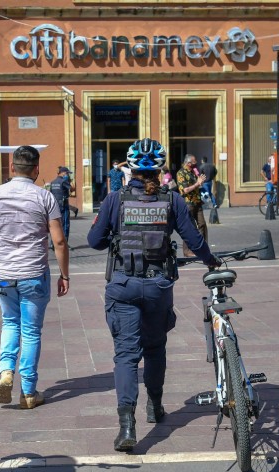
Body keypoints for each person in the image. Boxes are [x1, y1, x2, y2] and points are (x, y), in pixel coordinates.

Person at [88, 138, 220, 452]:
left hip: (123, 285)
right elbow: (194, 240)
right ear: (160, 170)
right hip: (158, 285)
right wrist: (211, 261)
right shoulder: (172, 199)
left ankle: (126, 426)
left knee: (126, 355)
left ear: (131, 169)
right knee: (155, 348)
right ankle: (155, 406)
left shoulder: (115, 199)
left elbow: (94, 241)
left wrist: (115, 235)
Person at [0, 145, 69, 409]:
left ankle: (6, 370)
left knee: (9, 322)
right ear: (36, 169)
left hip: (3, 274)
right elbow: (59, 241)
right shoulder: (45, 197)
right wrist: (64, 275)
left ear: (12, 167)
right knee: (30, 331)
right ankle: (28, 392)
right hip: (33, 273)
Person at [176, 154, 208, 255]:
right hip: (188, 203)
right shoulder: (181, 173)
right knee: (189, 227)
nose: (196, 164)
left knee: (202, 224)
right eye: (194, 162)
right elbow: (185, 190)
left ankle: (203, 248)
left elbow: (197, 185)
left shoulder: (193, 172)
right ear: (189, 163)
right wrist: (197, 183)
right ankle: (187, 251)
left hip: (197, 202)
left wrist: (200, 182)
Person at [49, 166, 72, 241]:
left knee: (56, 224)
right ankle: (64, 242)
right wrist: (69, 181)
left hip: (55, 205)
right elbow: (72, 188)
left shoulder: (53, 182)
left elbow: (51, 193)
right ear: (63, 173)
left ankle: (53, 242)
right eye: (67, 173)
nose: (67, 175)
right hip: (63, 205)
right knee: (65, 224)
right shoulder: (63, 181)